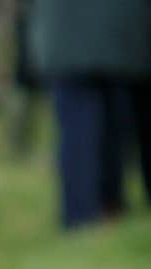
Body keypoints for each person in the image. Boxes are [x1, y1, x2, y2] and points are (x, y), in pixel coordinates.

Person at [27, 0, 151, 229]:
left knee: (78, 124)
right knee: (113, 120)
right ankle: (109, 203)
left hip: (65, 30)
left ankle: (81, 213)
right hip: (122, 31)